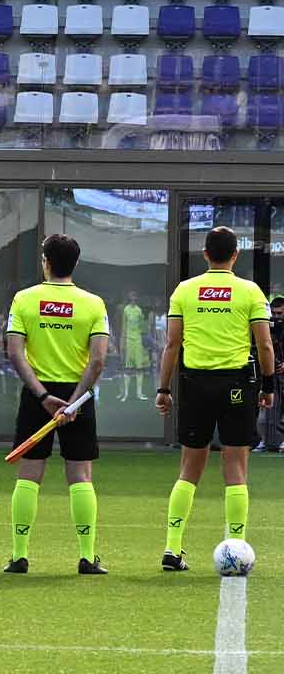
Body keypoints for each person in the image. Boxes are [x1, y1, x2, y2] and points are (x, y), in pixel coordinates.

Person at [156, 226, 275, 571]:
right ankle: (237, 546)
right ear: (235, 255)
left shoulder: (185, 290)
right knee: (236, 470)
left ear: (205, 254)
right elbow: (265, 345)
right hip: (237, 385)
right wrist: (268, 386)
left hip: (195, 385)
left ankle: (172, 548)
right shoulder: (250, 291)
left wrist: (164, 389)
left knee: (189, 469)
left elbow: (172, 344)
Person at [3, 233, 111, 575]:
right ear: (76, 263)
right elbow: (97, 361)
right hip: (77, 397)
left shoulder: (24, 299)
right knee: (80, 474)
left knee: (29, 474)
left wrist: (43, 396)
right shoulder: (93, 303)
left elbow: (14, 352)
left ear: (45, 261)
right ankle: (86, 557)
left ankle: (19, 557)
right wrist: (75, 401)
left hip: (39, 395)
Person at [263, 296, 284, 452]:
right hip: (273, 374)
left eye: (280, 313)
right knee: (268, 409)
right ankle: (267, 441)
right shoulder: (269, 328)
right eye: (274, 314)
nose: (276, 317)